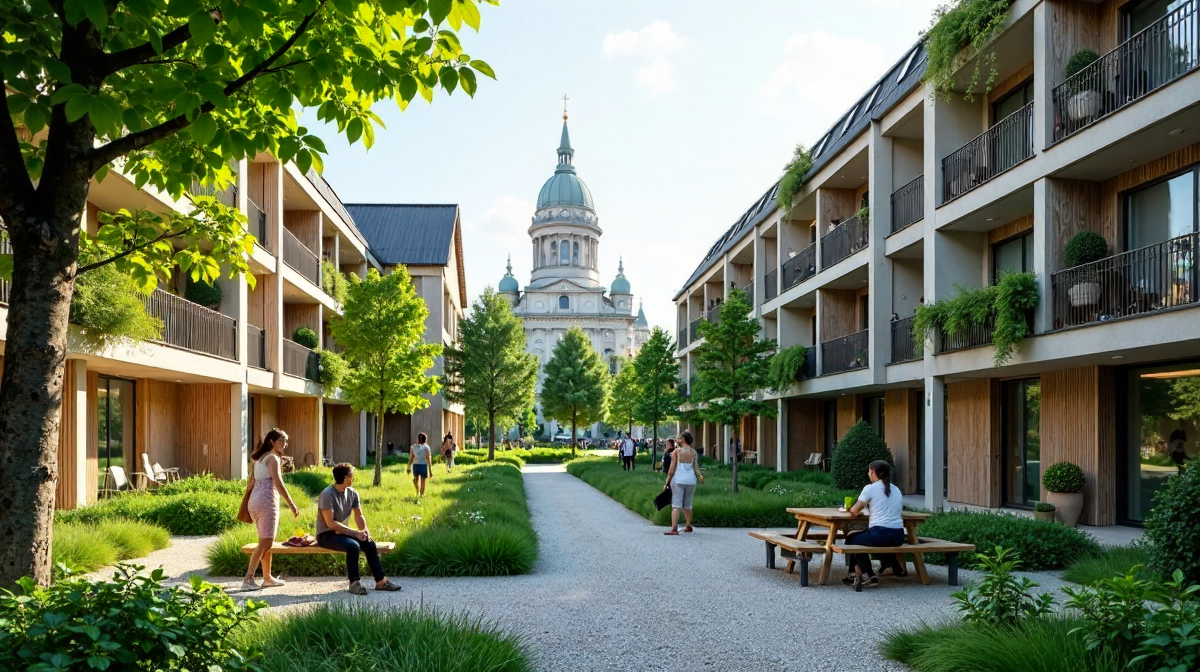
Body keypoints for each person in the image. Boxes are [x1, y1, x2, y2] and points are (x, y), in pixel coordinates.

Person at [316, 463, 403, 595]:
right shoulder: (327, 494)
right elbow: (330, 523)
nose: (354, 478)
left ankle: (381, 581)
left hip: (342, 532)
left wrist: (365, 531)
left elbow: (359, 516)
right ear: (346, 478)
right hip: (326, 535)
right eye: (352, 475)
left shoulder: (352, 493)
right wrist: (354, 533)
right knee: (353, 546)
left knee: (369, 543)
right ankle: (354, 583)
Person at [242, 428, 300, 591]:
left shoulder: (259, 458)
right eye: (282, 440)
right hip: (267, 502)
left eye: (286, 441)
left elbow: (251, 484)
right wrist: (292, 504)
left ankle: (267, 578)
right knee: (266, 543)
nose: (285, 444)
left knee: (265, 540)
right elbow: (279, 484)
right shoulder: (273, 459)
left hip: (255, 501)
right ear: (272, 442)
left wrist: (247, 504)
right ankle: (248, 579)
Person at [844, 460, 906, 592]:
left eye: (869, 471)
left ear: (872, 471)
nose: (868, 474)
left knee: (851, 539)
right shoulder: (896, 490)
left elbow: (854, 511)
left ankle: (868, 574)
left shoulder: (870, 488)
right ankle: (888, 562)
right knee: (864, 536)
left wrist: (849, 508)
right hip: (899, 536)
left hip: (880, 534)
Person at [664, 431, 704, 535]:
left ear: (683, 439)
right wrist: (700, 477)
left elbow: (671, 470)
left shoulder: (677, 451)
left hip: (678, 480)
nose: (678, 439)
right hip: (691, 481)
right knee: (688, 505)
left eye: (680, 438)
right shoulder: (694, 452)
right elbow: (696, 467)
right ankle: (688, 526)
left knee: (676, 505)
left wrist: (667, 482)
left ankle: (674, 529)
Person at [407, 432, 433, 497]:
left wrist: (430, 471)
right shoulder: (413, 447)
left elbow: (428, 459)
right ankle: (418, 491)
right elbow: (411, 458)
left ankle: (421, 494)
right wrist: (408, 467)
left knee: (421, 481)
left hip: (422, 465)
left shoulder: (426, 447)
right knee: (416, 480)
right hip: (417, 465)